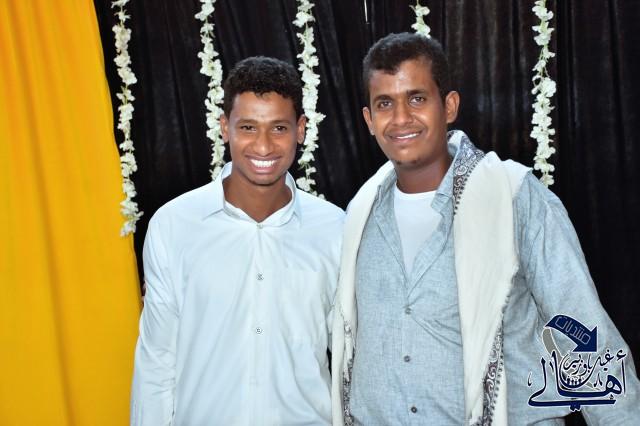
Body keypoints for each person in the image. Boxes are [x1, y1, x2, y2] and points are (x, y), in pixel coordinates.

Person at [331, 32, 640, 425]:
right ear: (369, 120)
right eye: (385, 103)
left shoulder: (512, 196)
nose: (401, 117)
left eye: (417, 98)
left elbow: (582, 332)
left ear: (449, 106)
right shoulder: (359, 215)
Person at [131, 56, 344, 425]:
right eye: (248, 127)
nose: (263, 146)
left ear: (300, 130)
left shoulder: (334, 228)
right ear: (224, 128)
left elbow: (349, 357)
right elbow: (157, 362)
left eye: (279, 128)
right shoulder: (174, 225)